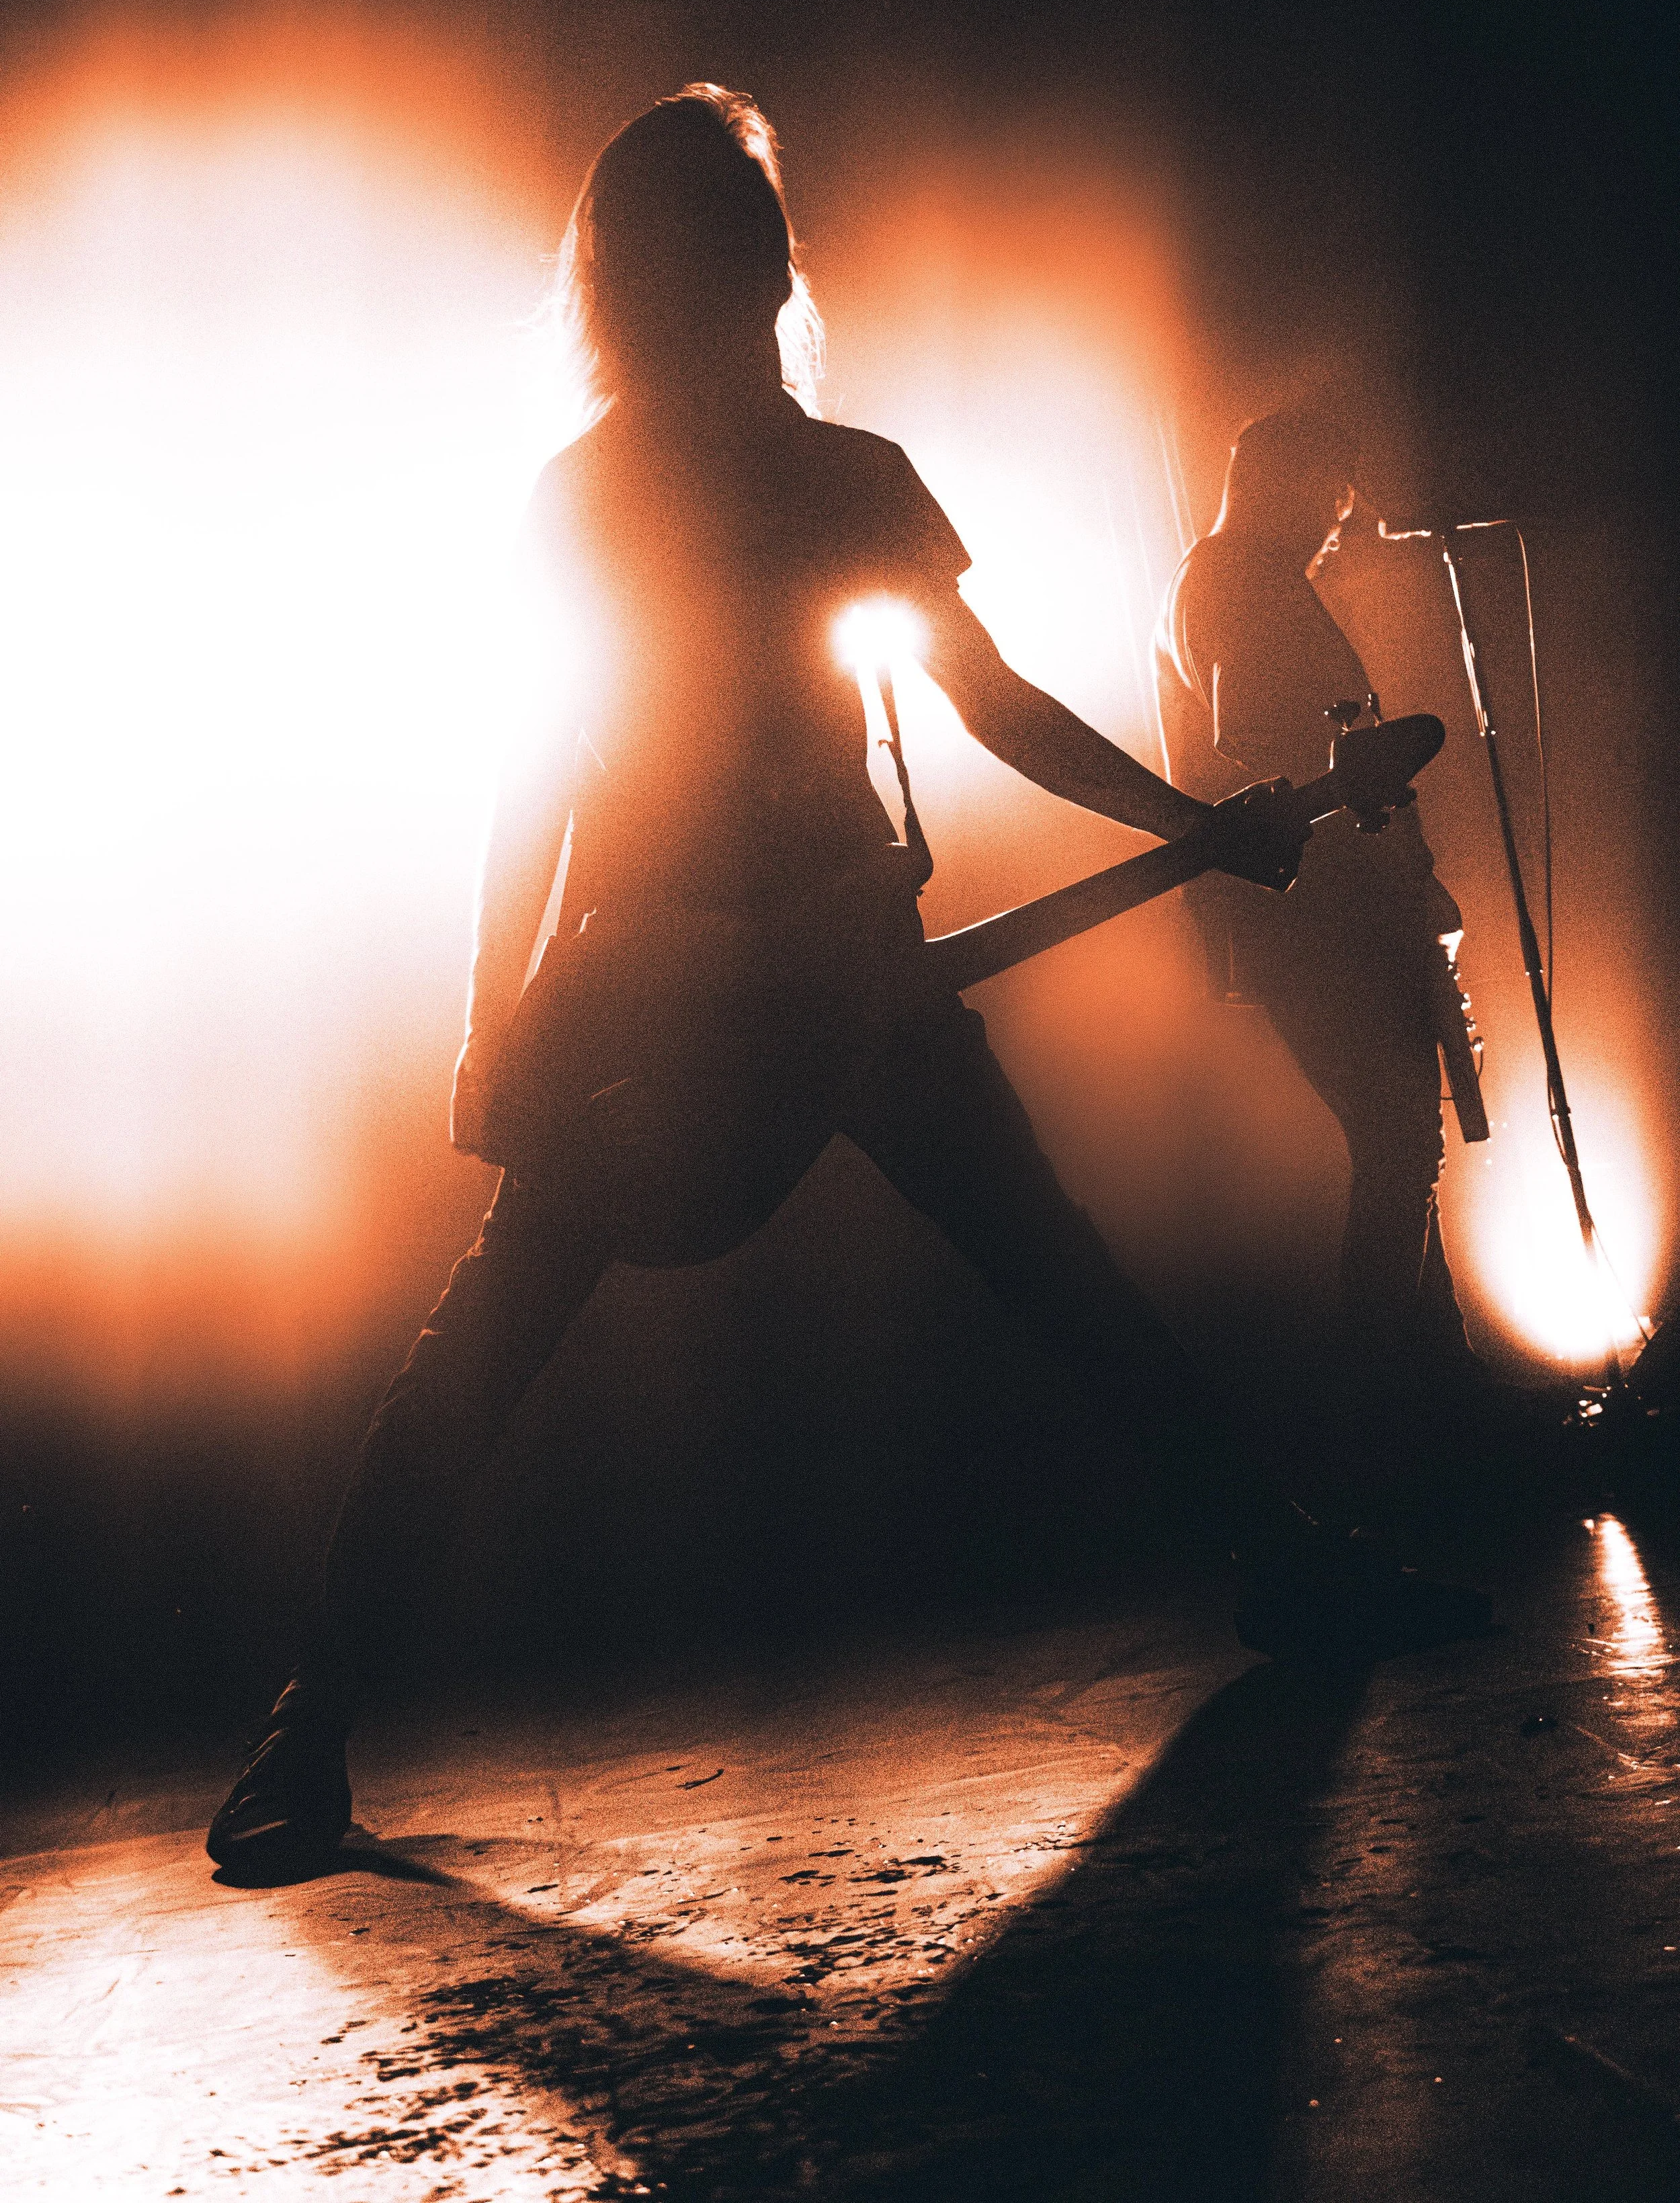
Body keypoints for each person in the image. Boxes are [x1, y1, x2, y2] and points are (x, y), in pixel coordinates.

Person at [208, 92, 1487, 1875]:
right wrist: (491, 1017)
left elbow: (960, 707)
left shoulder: (785, 480)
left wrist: (1200, 817)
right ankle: (306, 1725)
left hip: (802, 972)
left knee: (527, 1345)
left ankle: (304, 1732)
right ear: (740, 271)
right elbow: (571, 764)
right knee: (1029, 1283)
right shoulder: (717, 485)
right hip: (683, 989)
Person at [1154, 405, 1478, 1384]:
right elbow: (1251, 733)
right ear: (1282, 481)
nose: (1341, 519)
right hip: (1320, 913)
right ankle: (1388, 1411)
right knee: (1398, 1146)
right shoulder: (1234, 578)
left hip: (1326, 905)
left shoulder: (1236, 579)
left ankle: (1443, 1393)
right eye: (1330, 492)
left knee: (1404, 1149)